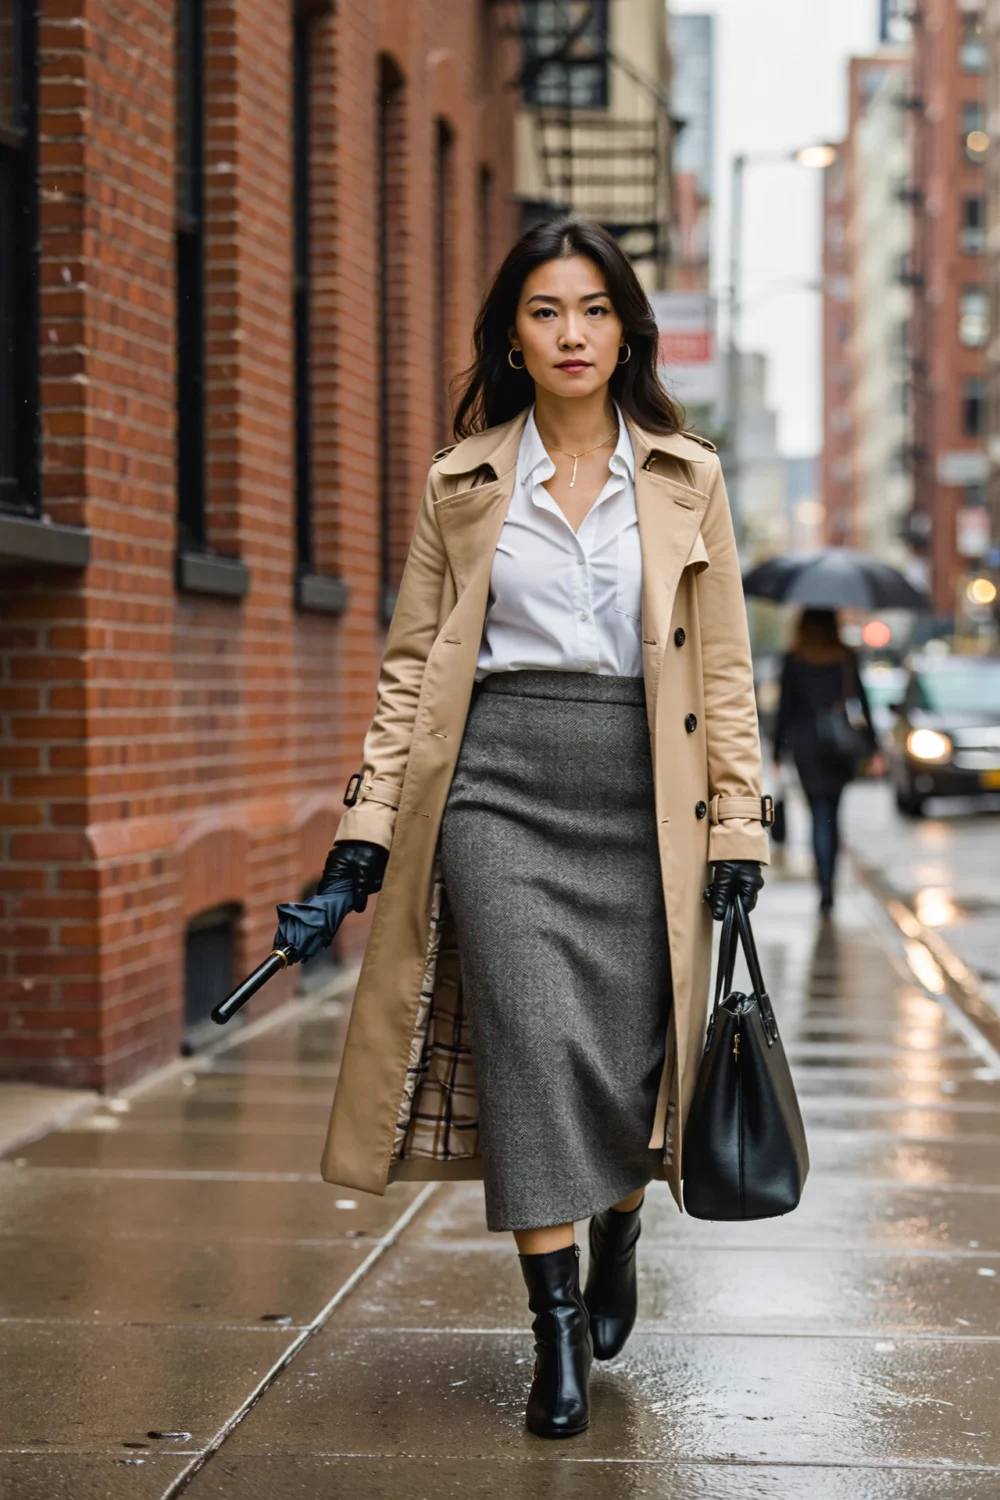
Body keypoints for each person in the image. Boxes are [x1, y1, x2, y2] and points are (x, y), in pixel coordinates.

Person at [278, 217, 771, 1439]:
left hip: (642, 795)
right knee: (530, 1049)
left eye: (594, 310)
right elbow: (408, 674)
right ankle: (552, 1326)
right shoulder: (462, 483)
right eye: (547, 311)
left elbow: (722, 676)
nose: (571, 333)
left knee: (623, 1055)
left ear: (625, 330)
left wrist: (739, 834)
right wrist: (366, 832)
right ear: (513, 330)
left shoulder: (686, 477)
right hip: (496, 790)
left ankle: (617, 1227)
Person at [773, 608, 880, 915]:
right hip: (840, 747)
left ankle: (824, 889)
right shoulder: (845, 657)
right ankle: (828, 885)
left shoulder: (793, 660)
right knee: (831, 814)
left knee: (818, 814)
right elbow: (863, 704)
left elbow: (785, 710)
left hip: (806, 747)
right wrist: (873, 747)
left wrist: (779, 751)